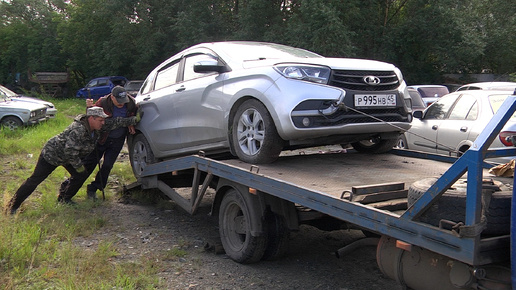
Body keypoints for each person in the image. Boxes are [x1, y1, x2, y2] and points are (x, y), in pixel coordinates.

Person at [6, 107, 139, 214]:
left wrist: (134, 119)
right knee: (35, 180)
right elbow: (70, 152)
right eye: (100, 120)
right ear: (91, 118)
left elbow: (116, 122)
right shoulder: (78, 130)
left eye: (103, 120)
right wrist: (79, 166)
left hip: (69, 157)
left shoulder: (98, 126)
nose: (103, 122)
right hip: (52, 155)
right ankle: (12, 206)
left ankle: (64, 198)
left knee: (81, 175)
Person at [82, 85, 138, 200]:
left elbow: (134, 114)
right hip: (101, 139)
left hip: (118, 140)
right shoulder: (103, 102)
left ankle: (94, 188)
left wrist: (131, 122)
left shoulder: (131, 102)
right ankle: (70, 187)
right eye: (119, 101)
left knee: (107, 165)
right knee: (89, 164)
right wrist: (89, 107)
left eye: (123, 101)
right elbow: (91, 117)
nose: (121, 103)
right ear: (112, 97)